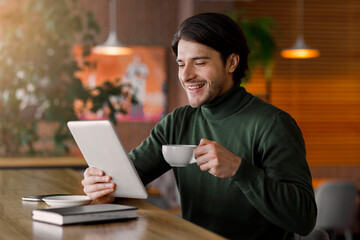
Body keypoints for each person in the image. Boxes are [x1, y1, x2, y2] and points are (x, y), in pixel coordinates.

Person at [81, 12, 317, 239]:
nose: (186, 75)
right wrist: (102, 187)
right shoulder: (177, 122)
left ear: (232, 62)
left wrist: (239, 170)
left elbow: (304, 219)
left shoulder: (273, 124)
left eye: (200, 62)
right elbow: (128, 178)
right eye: (182, 64)